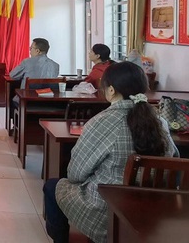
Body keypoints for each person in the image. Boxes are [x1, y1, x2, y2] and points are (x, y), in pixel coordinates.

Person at [43, 62, 178, 243]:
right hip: (154, 212)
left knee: (52, 186)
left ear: (111, 90)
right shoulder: (160, 122)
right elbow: (174, 161)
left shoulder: (102, 122)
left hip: (107, 212)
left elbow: (75, 174)